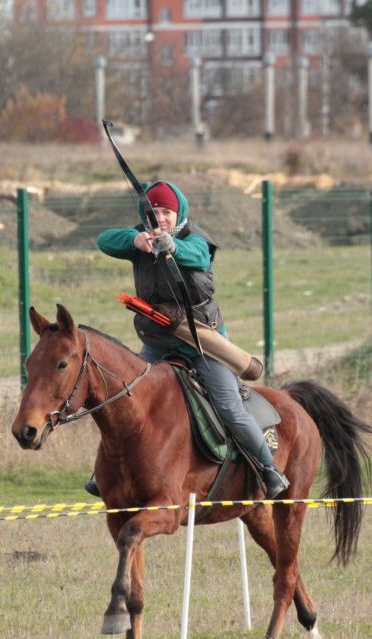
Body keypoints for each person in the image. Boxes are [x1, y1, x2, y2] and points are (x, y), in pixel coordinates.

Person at [86, 180, 290, 499]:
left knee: (228, 406)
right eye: (154, 212)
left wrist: (173, 247)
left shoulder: (196, 239)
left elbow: (198, 256)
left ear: (178, 212)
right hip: (158, 344)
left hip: (202, 344)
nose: (161, 217)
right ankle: (102, 472)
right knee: (128, 399)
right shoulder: (142, 237)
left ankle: (268, 469)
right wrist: (135, 238)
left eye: (167, 211)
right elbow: (104, 240)